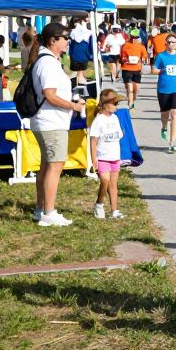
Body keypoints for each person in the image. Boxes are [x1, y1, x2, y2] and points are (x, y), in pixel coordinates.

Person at [30, 22, 85, 226]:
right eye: (65, 38)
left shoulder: (48, 60)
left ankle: (41, 208)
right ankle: (48, 212)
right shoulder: (48, 63)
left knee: (46, 165)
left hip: (48, 121)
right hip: (51, 122)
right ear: (54, 40)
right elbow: (49, 95)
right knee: (55, 166)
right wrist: (73, 105)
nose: (68, 41)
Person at [89, 88, 125, 218]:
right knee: (105, 180)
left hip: (115, 157)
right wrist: (94, 159)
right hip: (102, 157)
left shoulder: (115, 118)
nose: (116, 106)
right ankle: (99, 204)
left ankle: (114, 211)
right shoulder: (99, 120)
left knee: (113, 185)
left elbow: (120, 135)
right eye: (113, 103)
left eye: (117, 104)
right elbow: (93, 140)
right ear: (104, 104)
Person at [152, 33, 176, 154]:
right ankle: (164, 127)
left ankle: (172, 142)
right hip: (163, 89)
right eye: (169, 42)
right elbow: (154, 69)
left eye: (173, 42)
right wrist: (161, 70)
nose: (171, 44)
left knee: (175, 114)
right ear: (166, 44)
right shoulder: (161, 56)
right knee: (165, 114)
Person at [119, 33, 148, 109]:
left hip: (137, 69)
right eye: (133, 37)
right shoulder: (125, 45)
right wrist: (126, 59)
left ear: (138, 38)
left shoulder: (141, 46)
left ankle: (131, 100)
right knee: (129, 87)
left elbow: (144, 56)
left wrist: (141, 60)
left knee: (136, 89)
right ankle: (131, 104)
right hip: (127, 68)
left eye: (136, 37)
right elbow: (122, 57)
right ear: (130, 37)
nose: (134, 39)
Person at [68, 18, 95, 89]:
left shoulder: (72, 32)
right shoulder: (89, 32)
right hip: (84, 55)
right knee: (80, 73)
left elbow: (70, 45)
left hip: (74, 55)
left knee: (79, 73)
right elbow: (91, 45)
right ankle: (80, 88)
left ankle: (79, 87)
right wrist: (92, 55)